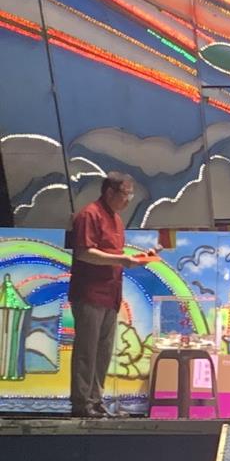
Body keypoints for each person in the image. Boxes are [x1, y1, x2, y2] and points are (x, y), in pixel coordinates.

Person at [68, 172, 151, 418]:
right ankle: (82, 403)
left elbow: (115, 255)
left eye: (131, 194)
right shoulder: (89, 214)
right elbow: (84, 252)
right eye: (126, 194)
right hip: (90, 292)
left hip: (111, 293)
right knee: (87, 350)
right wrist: (122, 260)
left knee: (103, 352)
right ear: (109, 192)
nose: (129, 200)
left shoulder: (116, 219)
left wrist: (136, 258)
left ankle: (96, 400)